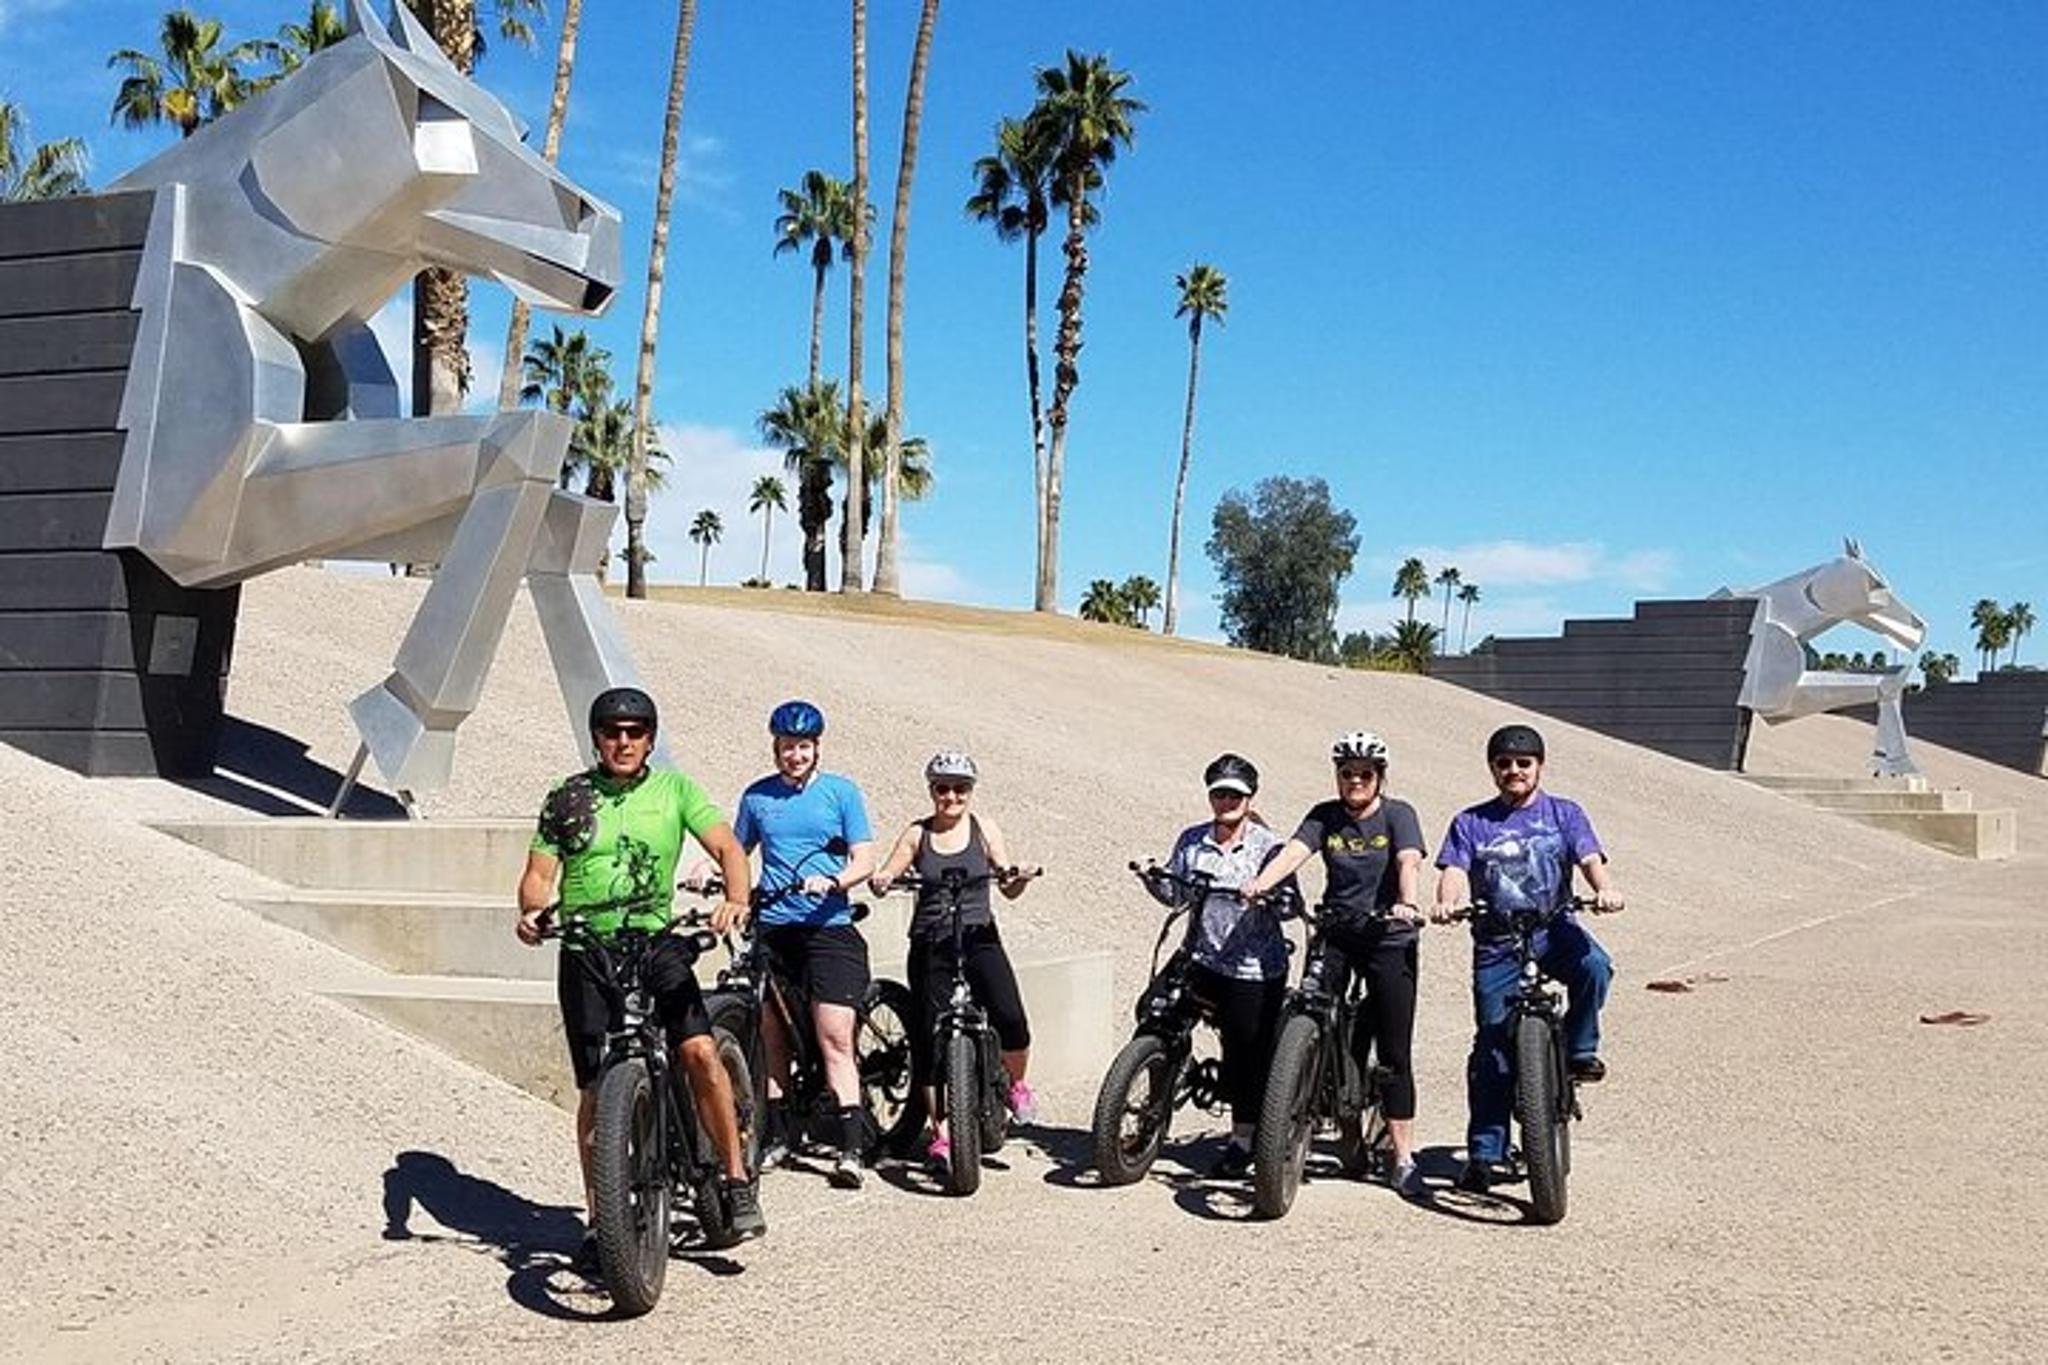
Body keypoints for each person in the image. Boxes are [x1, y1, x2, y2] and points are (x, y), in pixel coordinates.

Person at [515, 686, 765, 1267]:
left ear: (650, 739)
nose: (622, 742)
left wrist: (735, 899)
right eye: (611, 732)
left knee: (700, 1050)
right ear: (596, 738)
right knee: (594, 1090)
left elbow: (728, 848)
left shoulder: (674, 789)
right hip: (585, 947)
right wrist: (531, 911)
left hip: (655, 940)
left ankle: (734, 1178)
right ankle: (600, 1219)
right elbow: (536, 874)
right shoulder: (568, 796)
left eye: (634, 733)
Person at [1430, 722, 1624, 1193]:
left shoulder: (1564, 813)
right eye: (1504, 764)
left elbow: (1589, 856)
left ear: (1539, 766)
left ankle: (1579, 1050)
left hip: (1554, 929)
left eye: (1523, 763)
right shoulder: (1470, 821)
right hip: (1498, 943)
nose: (1513, 771)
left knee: (1595, 966)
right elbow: (1454, 869)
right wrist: (1445, 900)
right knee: (1492, 1050)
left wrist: (1605, 890)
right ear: (1493, 769)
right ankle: (1485, 1153)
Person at [1243, 730, 1428, 1195]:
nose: (1355, 781)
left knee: (1393, 1047)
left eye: (1365, 774)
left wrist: (1407, 902)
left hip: (1388, 934)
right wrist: (1260, 884)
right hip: (1337, 931)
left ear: (1379, 778)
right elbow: (1295, 852)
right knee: (1309, 1011)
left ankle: (1403, 1158)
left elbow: (1408, 861)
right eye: (1347, 774)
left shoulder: (1398, 814)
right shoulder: (1324, 816)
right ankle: (1315, 1105)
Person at [728, 699, 877, 1189]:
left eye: (803, 747)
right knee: (772, 1033)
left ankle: (851, 1147)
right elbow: (738, 852)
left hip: (828, 928)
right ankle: (777, 1134)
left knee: (833, 1033)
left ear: (817, 749)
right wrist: (713, 874)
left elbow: (865, 858)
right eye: (788, 747)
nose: (795, 755)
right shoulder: (757, 798)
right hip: (774, 927)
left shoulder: (841, 794)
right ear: (776, 748)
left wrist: (835, 881)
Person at [870, 751, 1041, 1167]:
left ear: (971, 792)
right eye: (942, 788)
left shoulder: (984, 829)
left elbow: (1006, 881)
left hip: (979, 937)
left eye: (960, 788)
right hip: (932, 942)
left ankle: (1016, 1084)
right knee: (931, 1040)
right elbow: (889, 872)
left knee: (1011, 1016)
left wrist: (1014, 876)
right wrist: (884, 878)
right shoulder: (918, 833)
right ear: (931, 790)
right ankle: (942, 1133)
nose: (951, 796)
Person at [1145, 753, 1295, 1179]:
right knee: (1153, 1014)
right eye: (1219, 793)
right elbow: (1177, 897)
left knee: (1244, 1055)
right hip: (1201, 956)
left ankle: (1243, 1140)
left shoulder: (1272, 848)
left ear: (1250, 798)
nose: (1226, 800)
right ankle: (1154, 1096)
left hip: (1253, 968)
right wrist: (1154, 877)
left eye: (1235, 794)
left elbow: (1290, 905)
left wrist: (1270, 897)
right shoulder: (1192, 840)